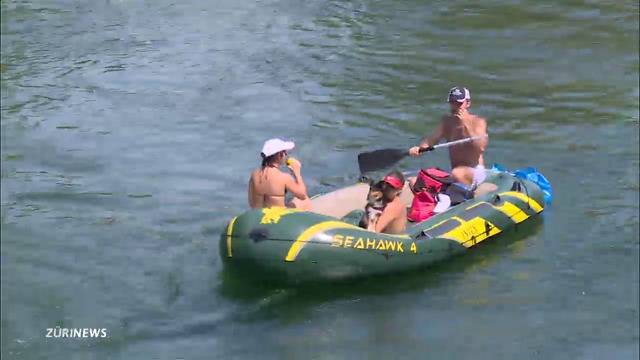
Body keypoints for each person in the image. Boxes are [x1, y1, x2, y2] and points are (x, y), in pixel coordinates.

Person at [408, 86, 488, 187]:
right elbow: (431, 140)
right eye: (452, 103)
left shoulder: (478, 121)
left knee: (457, 173)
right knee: (413, 181)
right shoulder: (447, 122)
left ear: (468, 103)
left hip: (474, 172)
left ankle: (468, 192)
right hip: (456, 172)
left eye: (459, 103)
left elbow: (481, 147)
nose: (455, 107)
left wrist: (465, 123)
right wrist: (419, 148)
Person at [248, 138, 312, 210]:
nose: (286, 154)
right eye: (285, 152)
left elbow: (251, 202)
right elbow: (302, 195)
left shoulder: (254, 175)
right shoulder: (284, 177)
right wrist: (297, 173)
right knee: (305, 201)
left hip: (258, 216)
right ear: (280, 154)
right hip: (277, 218)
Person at [362, 170, 407, 234]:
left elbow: (373, 234)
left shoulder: (394, 207)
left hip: (391, 241)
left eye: (391, 187)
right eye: (385, 184)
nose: (386, 188)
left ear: (399, 190)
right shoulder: (385, 199)